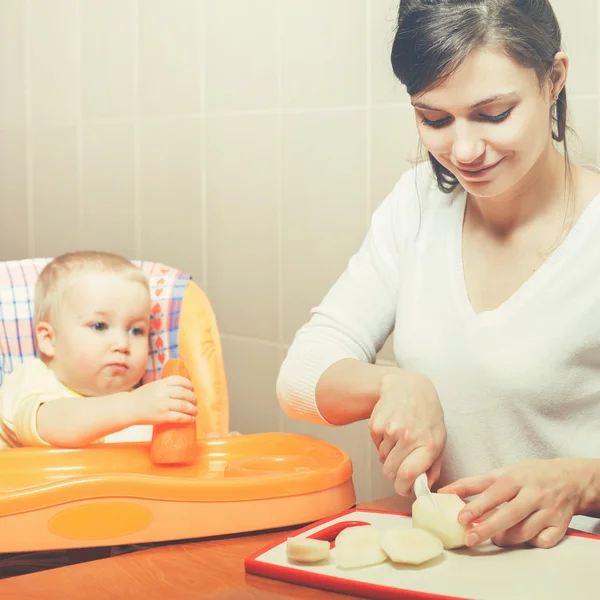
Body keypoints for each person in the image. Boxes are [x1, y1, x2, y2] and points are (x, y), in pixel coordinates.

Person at [277, 0, 600, 549]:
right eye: (435, 119)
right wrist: (394, 382)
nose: (465, 150)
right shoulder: (418, 205)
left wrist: (583, 480)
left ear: (554, 80)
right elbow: (301, 376)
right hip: (451, 568)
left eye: (493, 114)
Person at [0, 251, 197, 448]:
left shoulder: (148, 402)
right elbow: (50, 427)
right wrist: (134, 406)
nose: (122, 343)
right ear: (49, 339)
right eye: (99, 326)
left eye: (136, 330)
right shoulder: (32, 379)